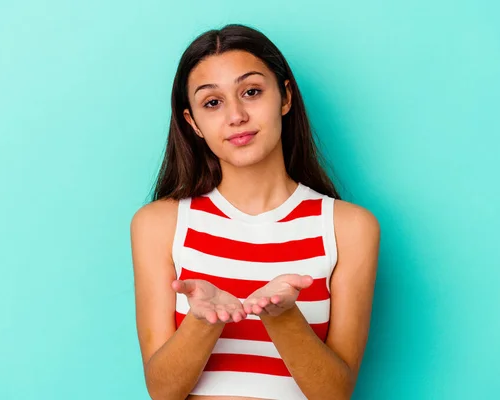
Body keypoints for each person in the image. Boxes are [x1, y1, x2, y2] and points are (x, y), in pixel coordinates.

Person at [130, 23, 381, 400]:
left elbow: (334, 394)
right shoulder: (159, 224)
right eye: (212, 102)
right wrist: (204, 321)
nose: (236, 116)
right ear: (192, 123)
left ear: (284, 97)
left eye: (251, 92)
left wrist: (283, 318)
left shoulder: (349, 227)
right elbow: (162, 391)